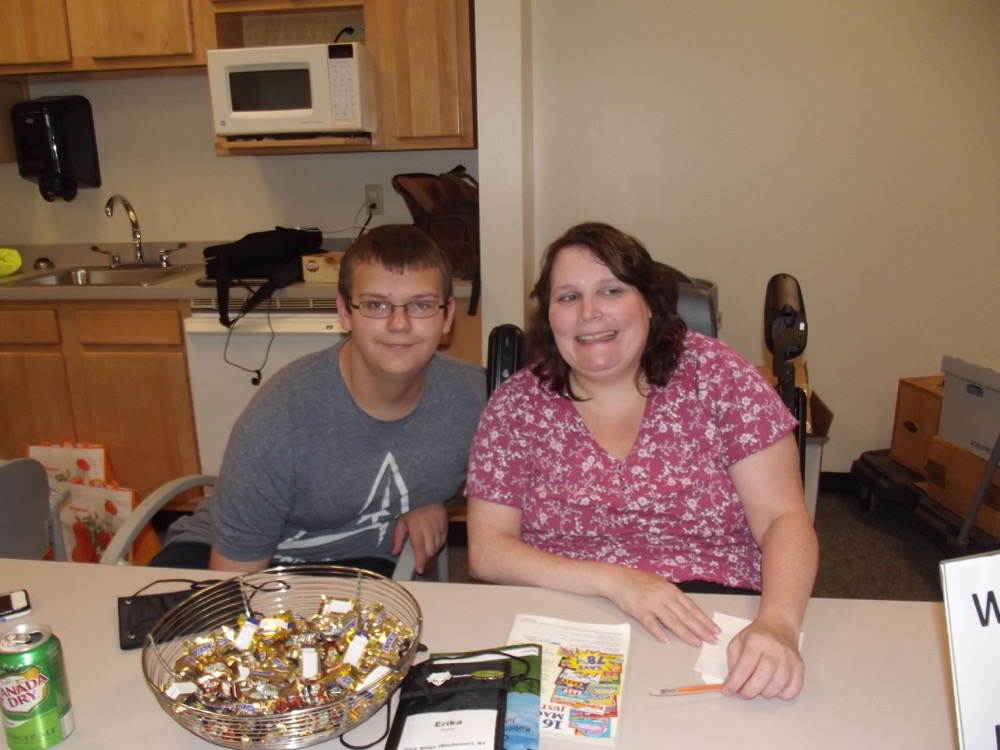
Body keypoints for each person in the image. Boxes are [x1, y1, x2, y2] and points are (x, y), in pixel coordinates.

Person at [465, 222, 819, 700]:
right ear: (549, 317)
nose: (589, 313)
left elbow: (782, 517)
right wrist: (616, 581)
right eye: (568, 297)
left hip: (715, 614)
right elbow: (488, 550)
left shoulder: (717, 376)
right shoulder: (517, 405)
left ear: (649, 303)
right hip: (567, 610)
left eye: (611, 290)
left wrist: (777, 623)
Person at [154, 224, 486, 576]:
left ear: (447, 315)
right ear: (344, 313)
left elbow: (487, 478)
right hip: (220, 560)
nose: (399, 323)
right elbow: (233, 581)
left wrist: (438, 502)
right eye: (376, 305)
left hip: (355, 565)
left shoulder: (478, 399)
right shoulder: (279, 419)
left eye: (421, 305)